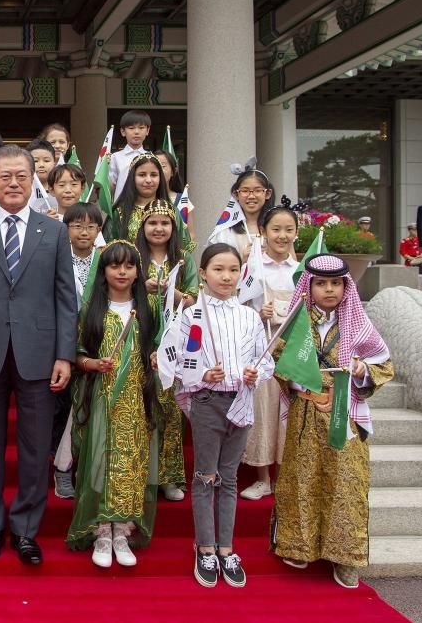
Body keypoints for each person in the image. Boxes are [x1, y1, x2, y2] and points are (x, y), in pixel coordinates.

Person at [0, 144, 76, 566]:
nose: (13, 184)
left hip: (40, 354)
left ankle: (26, 529)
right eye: (4, 176)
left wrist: (65, 354)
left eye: (22, 176)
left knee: (34, 444)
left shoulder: (54, 231)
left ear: (34, 179)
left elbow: (65, 299)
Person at [272, 254, 394, 589]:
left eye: (336, 283)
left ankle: (346, 557)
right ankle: (299, 546)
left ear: (346, 286)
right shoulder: (296, 323)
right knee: (303, 479)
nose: (329, 289)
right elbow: (277, 360)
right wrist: (299, 376)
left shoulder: (358, 323)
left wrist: (361, 369)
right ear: (309, 286)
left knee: (346, 486)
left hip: (346, 412)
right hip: (306, 413)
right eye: (322, 283)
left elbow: (383, 364)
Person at [166, 243, 274, 588]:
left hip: (240, 400)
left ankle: (227, 548)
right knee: (205, 475)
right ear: (203, 274)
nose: (226, 276)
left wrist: (257, 373)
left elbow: (265, 358)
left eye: (232, 270)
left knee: (228, 477)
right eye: (218, 269)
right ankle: (205, 547)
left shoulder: (249, 316)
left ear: (241, 274)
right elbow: (180, 361)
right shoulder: (192, 316)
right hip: (208, 402)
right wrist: (201, 376)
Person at [68, 240, 158, 567]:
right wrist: (92, 364)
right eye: (114, 265)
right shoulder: (91, 310)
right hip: (101, 399)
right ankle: (101, 531)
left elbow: (160, 347)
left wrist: (157, 358)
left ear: (137, 271)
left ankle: (122, 530)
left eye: (129, 266)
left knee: (131, 464)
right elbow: (77, 354)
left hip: (136, 399)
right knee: (99, 462)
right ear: (103, 271)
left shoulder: (150, 309)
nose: (122, 271)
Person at [135, 199, 197, 502]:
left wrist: (170, 292)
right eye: (152, 222)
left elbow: (195, 299)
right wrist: (141, 289)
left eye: (165, 223)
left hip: (176, 342)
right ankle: (143, 473)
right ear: (142, 226)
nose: (158, 228)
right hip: (140, 338)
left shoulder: (184, 258)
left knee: (171, 409)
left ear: (174, 228)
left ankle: (169, 477)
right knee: (143, 406)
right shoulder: (134, 256)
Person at [239, 204, 298, 501]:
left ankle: (286, 475)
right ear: (263, 232)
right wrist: (255, 309)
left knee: (290, 413)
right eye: (276, 229)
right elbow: (238, 303)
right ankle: (262, 478)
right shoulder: (253, 268)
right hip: (262, 346)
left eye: (289, 229)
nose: (282, 235)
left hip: (294, 348)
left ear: (296, 233)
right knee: (262, 409)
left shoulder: (301, 270)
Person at [51, 201, 105, 499]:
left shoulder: (104, 259)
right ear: (66, 228)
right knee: (63, 408)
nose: (84, 232)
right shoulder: (55, 257)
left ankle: (77, 467)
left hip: (95, 344)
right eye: (76, 225)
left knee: (84, 408)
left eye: (91, 226)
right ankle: (61, 467)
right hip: (60, 342)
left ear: (99, 230)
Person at [207, 166, 275, 261]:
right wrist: (242, 261)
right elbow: (216, 268)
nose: (251, 196)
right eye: (245, 191)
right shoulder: (225, 231)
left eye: (258, 190)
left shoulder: (277, 228)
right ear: (236, 194)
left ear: (267, 194)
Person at [108, 110, 151, 202]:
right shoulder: (115, 157)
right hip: (122, 207)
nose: (136, 132)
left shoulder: (151, 157)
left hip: (146, 207)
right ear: (123, 131)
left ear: (147, 131)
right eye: (131, 128)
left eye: (141, 128)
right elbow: (111, 186)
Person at [155, 148, 195, 240]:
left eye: (163, 166)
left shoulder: (183, 201)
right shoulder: (144, 199)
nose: (159, 170)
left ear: (173, 171)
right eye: (155, 166)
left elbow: (191, 234)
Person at [25, 139, 58, 213]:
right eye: (35, 161)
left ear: (54, 162)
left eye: (46, 161)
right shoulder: (23, 189)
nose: (41, 165)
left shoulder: (60, 187)